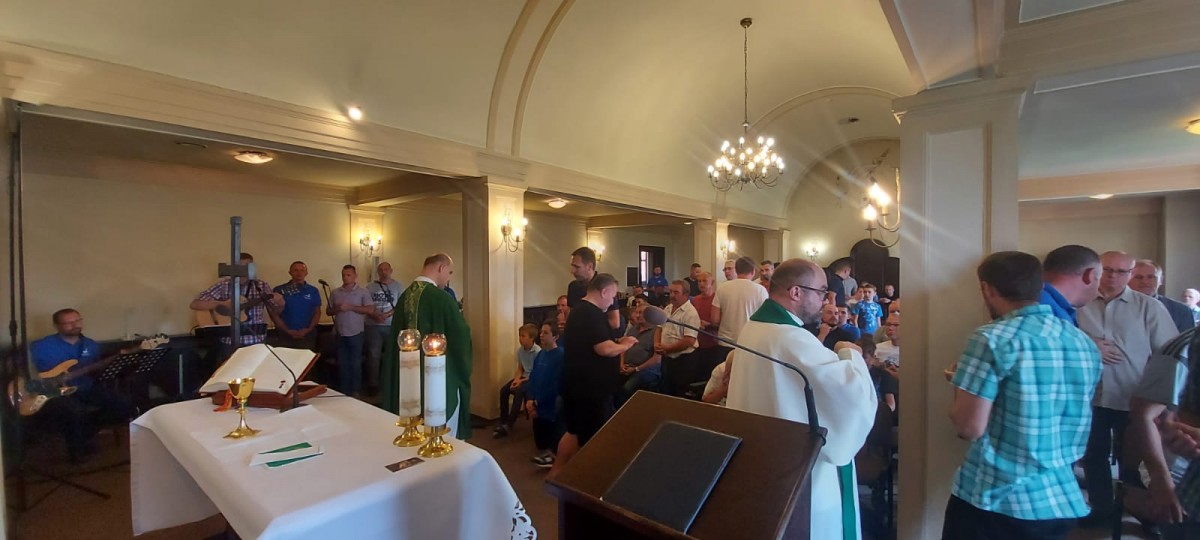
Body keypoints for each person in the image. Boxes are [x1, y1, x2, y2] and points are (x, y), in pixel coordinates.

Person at [944, 251, 1101, 539]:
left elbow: (969, 427)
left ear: (987, 289)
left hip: (998, 498)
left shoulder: (991, 338)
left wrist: (961, 383)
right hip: (1060, 495)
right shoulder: (1082, 342)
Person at [726, 259, 876, 540]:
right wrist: (851, 353)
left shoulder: (754, 327)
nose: (825, 300)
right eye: (820, 292)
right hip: (800, 474)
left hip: (765, 464)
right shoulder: (790, 338)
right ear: (796, 292)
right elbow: (850, 395)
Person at [1076, 251, 1178, 528]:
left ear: (1130, 274)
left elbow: (1168, 353)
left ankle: (1143, 513)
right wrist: (1088, 342)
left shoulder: (1149, 307)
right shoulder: (1079, 303)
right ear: (1096, 271)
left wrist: (1163, 400)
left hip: (1133, 398)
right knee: (1093, 457)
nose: (1113, 276)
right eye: (1107, 270)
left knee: (1134, 461)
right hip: (1091, 398)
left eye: (1121, 271)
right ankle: (1101, 511)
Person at [552, 273, 638, 476]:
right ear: (604, 291)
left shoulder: (579, 311)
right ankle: (588, 482)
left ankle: (555, 475)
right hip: (590, 390)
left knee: (573, 433)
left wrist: (615, 343)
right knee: (594, 439)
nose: (613, 301)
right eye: (613, 296)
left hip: (576, 385)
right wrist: (625, 345)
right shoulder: (591, 314)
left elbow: (594, 343)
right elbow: (604, 349)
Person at [382, 253, 474, 438]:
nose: (448, 278)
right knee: (441, 433)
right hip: (438, 378)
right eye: (449, 272)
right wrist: (463, 367)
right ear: (441, 268)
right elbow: (461, 338)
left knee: (411, 426)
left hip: (406, 380)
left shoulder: (404, 297)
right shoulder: (442, 298)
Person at [29, 309, 134, 462]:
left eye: (77, 321)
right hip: (55, 392)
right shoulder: (41, 346)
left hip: (85, 387)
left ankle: (85, 433)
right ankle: (77, 451)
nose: (75, 325)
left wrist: (116, 361)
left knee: (123, 404)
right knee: (75, 411)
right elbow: (24, 368)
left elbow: (95, 369)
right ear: (57, 326)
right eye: (69, 322)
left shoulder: (91, 345)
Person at [190, 252, 283, 357]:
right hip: (229, 342)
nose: (242, 271)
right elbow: (195, 304)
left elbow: (275, 311)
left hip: (256, 340)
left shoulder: (261, 285)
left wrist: (280, 304)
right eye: (240, 267)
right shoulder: (223, 285)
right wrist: (223, 304)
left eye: (246, 268)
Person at [326, 264, 375, 397]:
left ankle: (355, 390)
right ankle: (344, 390)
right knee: (342, 363)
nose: (346, 277)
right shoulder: (335, 292)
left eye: (348, 275)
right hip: (340, 332)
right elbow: (328, 311)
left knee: (355, 362)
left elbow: (370, 309)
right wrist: (337, 309)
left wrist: (351, 307)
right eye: (343, 275)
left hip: (356, 332)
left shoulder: (363, 292)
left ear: (355, 276)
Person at [711, 256, 768, 360]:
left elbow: (714, 319)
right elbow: (765, 320)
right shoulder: (760, 290)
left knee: (723, 370)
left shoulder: (722, 288)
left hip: (725, 343)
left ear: (736, 270)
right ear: (753, 271)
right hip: (749, 344)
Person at [525, 321, 565, 468]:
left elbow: (556, 385)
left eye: (546, 333)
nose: (541, 335)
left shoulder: (561, 356)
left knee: (547, 443)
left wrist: (537, 402)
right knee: (540, 444)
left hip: (549, 407)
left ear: (555, 337)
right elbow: (533, 378)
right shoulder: (540, 354)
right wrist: (530, 400)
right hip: (536, 405)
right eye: (541, 332)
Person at [494, 323, 540, 438]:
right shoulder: (520, 351)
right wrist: (516, 379)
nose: (520, 338)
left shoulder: (538, 352)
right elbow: (520, 368)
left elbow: (536, 373)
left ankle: (509, 424)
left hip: (532, 379)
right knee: (504, 390)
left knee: (519, 392)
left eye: (523, 336)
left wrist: (521, 381)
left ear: (532, 338)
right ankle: (503, 420)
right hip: (523, 377)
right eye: (519, 335)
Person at [364, 261, 404, 396]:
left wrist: (386, 315)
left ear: (391, 270)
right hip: (373, 326)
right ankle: (373, 385)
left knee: (391, 355)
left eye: (386, 269)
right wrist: (375, 315)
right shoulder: (370, 287)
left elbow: (401, 305)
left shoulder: (398, 286)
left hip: (391, 325)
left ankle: (390, 384)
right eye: (381, 270)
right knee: (373, 356)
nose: (383, 272)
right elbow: (366, 305)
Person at [656, 280, 700, 396]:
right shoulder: (668, 308)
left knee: (679, 394)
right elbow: (659, 328)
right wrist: (656, 344)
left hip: (683, 361)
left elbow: (689, 341)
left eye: (676, 292)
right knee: (665, 390)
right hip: (667, 358)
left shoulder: (691, 313)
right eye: (670, 292)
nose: (672, 295)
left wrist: (667, 349)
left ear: (686, 294)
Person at [1039, 244, 1102, 325]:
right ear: (1089, 276)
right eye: (1098, 279)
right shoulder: (1053, 317)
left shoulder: (1033, 300)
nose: (1097, 290)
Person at [567, 247, 621, 337]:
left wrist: (585, 328)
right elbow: (570, 315)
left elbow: (615, 322)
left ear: (590, 266)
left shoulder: (604, 285)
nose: (572, 271)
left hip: (600, 339)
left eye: (577, 267)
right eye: (572, 266)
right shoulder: (573, 287)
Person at [268, 261, 322, 351]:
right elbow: (274, 314)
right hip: (285, 335)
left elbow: (317, 312)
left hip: (307, 335)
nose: (299, 273)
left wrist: (309, 329)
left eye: (302, 270)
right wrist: (286, 330)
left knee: (307, 359)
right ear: (290, 272)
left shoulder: (313, 290)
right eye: (295, 270)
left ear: (306, 273)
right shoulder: (279, 290)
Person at [1131, 259, 1196, 332]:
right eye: (1138, 277)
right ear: (1128, 280)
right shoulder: (1121, 307)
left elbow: (1187, 339)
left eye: (1151, 277)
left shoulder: (1181, 311)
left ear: (1161, 280)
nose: (1145, 281)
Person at [618, 303, 661, 405]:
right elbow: (623, 348)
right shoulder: (632, 329)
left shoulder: (657, 331)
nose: (637, 315)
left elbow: (656, 359)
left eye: (640, 313)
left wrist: (636, 369)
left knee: (626, 389)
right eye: (636, 312)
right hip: (627, 366)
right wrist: (621, 363)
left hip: (646, 370)